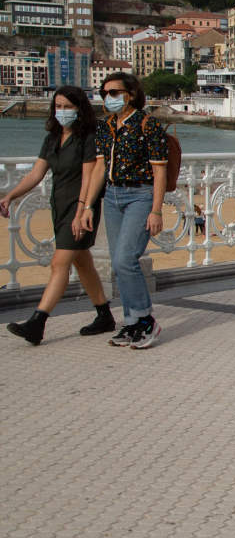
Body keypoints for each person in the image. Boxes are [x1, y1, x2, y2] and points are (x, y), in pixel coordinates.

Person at [2, 87, 115, 345]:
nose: (62, 112)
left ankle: (37, 323)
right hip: (59, 206)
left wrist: (81, 211)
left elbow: (90, 176)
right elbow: (35, 173)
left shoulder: (89, 135)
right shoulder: (53, 137)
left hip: (81, 208)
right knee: (82, 262)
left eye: (67, 107)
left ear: (79, 108)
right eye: (58, 107)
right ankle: (104, 315)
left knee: (59, 262)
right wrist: (10, 196)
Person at [79, 73, 167, 350]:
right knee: (120, 262)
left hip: (140, 195)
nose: (109, 97)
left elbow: (159, 170)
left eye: (115, 92)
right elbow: (99, 168)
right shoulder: (106, 127)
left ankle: (146, 321)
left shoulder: (148, 125)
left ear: (130, 94)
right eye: (105, 92)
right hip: (113, 195)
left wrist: (156, 211)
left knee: (125, 260)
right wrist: (88, 205)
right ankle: (131, 323)